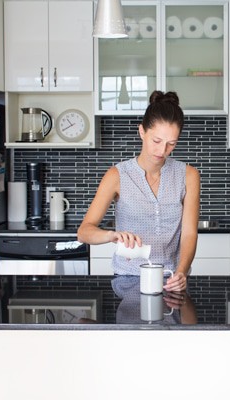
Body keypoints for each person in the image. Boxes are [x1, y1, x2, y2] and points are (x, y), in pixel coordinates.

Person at [77, 91, 200, 292]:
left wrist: (182, 271)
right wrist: (111, 236)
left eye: (171, 144)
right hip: (127, 279)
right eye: (156, 141)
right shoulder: (117, 175)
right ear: (142, 132)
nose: (162, 151)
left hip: (172, 280)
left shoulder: (188, 175)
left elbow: (188, 233)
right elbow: (84, 232)